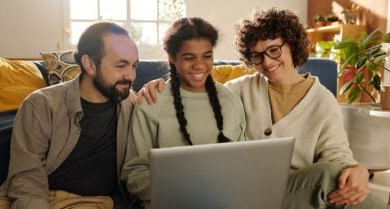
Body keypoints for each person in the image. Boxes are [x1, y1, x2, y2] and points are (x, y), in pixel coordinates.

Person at [138, 8, 388, 209]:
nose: (267, 62)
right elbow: (198, 82)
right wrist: (160, 84)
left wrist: (358, 170)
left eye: (274, 50)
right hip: (246, 191)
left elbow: (337, 156)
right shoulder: (239, 89)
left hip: (297, 194)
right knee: (328, 178)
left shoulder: (323, 100)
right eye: (257, 56)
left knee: (333, 177)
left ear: (291, 45)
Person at [0, 22, 139, 209]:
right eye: (121, 65)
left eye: (134, 66)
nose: (131, 76)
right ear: (90, 64)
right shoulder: (40, 104)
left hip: (95, 203)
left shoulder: (132, 103)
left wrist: (158, 85)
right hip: (38, 196)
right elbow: (26, 178)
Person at [121, 17, 246, 209]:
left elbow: (242, 163)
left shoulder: (231, 101)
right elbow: (134, 172)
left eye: (207, 56)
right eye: (189, 57)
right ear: (172, 57)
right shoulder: (151, 102)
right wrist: (181, 194)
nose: (199, 65)